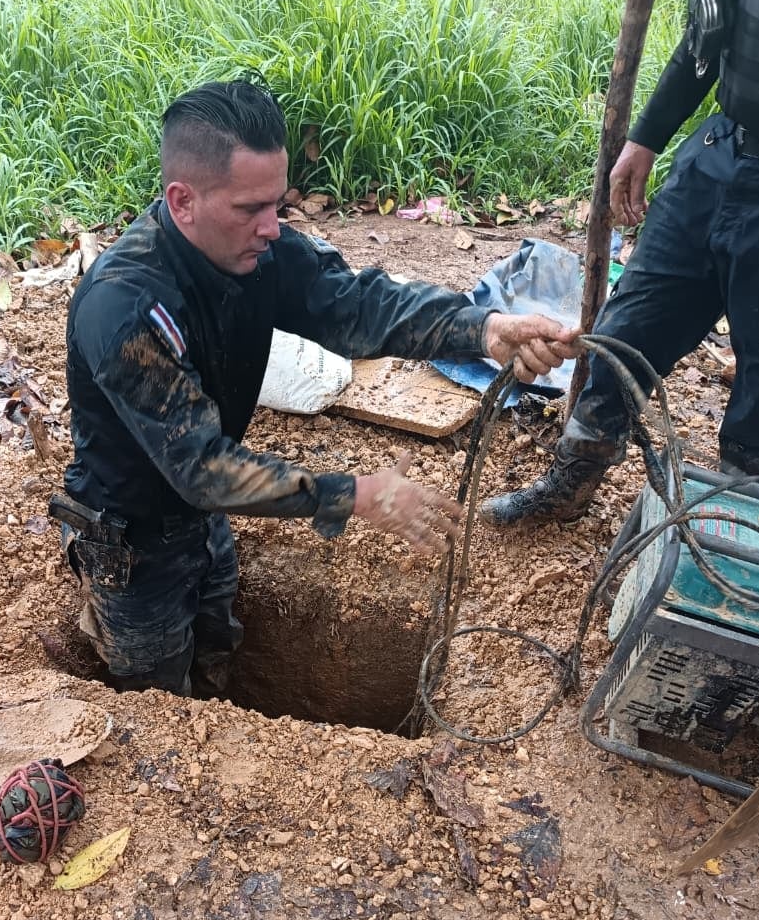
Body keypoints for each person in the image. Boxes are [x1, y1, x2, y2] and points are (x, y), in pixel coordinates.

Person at [55, 80, 577, 695]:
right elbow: (201, 469)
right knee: (157, 700)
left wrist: (483, 330)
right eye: (251, 208)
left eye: (278, 204)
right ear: (183, 200)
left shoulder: (258, 252)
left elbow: (355, 305)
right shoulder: (126, 307)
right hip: (134, 541)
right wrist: (355, 495)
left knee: (218, 640)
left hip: (203, 520)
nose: (273, 227)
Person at [482, 0, 759, 526]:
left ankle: (739, 537)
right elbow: (708, 32)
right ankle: (571, 482)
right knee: (624, 332)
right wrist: (645, 139)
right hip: (718, 158)